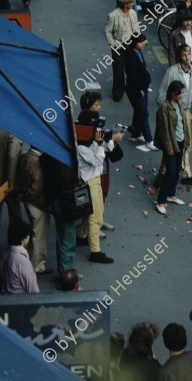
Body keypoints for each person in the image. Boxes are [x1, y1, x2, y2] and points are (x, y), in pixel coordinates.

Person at [157, 44, 192, 187]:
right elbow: (161, 95)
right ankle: (162, 173)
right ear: (179, 56)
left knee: (186, 144)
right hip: (173, 112)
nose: (187, 58)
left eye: (189, 55)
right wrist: (167, 111)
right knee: (171, 143)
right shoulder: (172, 72)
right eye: (184, 55)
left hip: (186, 112)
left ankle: (186, 174)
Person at [75, 106, 119, 264]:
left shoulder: (89, 139)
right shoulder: (80, 145)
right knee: (96, 218)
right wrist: (100, 144)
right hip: (89, 182)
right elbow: (97, 160)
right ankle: (95, 252)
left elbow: (106, 150)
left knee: (89, 214)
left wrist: (110, 141)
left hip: (95, 180)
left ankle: (80, 236)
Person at [154, 80, 192, 215]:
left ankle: (171, 194)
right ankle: (161, 201)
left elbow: (182, 124)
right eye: (180, 93)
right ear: (173, 93)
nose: (182, 95)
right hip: (171, 143)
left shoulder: (178, 104)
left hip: (180, 141)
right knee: (170, 172)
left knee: (176, 170)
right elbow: (163, 131)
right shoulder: (164, 108)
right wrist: (168, 147)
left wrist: (186, 141)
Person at [0, 125, 22, 276]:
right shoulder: (13, 129)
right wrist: (11, 181)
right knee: (16, 215)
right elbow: (13, 156)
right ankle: (17, 248)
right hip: (6, 183)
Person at [41, 153, 78, 277]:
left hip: (56, 197)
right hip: (64, 199)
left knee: (63, 234)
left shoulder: (47, 155)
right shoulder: (60, 157)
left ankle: (65, 270)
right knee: (67, 236)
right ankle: (66, 272)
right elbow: (65, 178)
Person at [15, 147, 51, 274]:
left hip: (27, 201)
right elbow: (36, 187)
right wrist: (27, 195)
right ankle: (37, 266)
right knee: (39, 235)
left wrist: (22, 195)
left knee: (35, 231)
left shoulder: (24, 157)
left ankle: (30, 259)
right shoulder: (37, 162)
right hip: (37, 203)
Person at [124, 34, 157, 151]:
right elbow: (132, 75)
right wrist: (140, 89)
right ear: (134, 43)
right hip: (136, 89)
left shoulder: (138, 52)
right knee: (143, 113)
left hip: (142, 86)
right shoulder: (130, 56)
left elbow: (142, 69)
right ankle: (149, 140)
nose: (143, 44)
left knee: (139, 110)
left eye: (144, 41)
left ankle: (136, 133)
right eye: (140, 42)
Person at [104, 0, 140, 102]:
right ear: (125, 4)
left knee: (132, 68)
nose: (133, 4)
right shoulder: (113, 15)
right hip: (119, 46)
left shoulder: (133, 13)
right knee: (118, 71)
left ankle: (132, 89)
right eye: (131, 3)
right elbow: (107, 31)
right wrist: (113, 43)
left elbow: (136, 27)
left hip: (131, 44)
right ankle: (117, 93)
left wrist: (139, 40)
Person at [0, 221, 39, 294]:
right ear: (24, 238)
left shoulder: (2, 254)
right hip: (20, 301)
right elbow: (33, 291)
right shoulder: (23, 262)